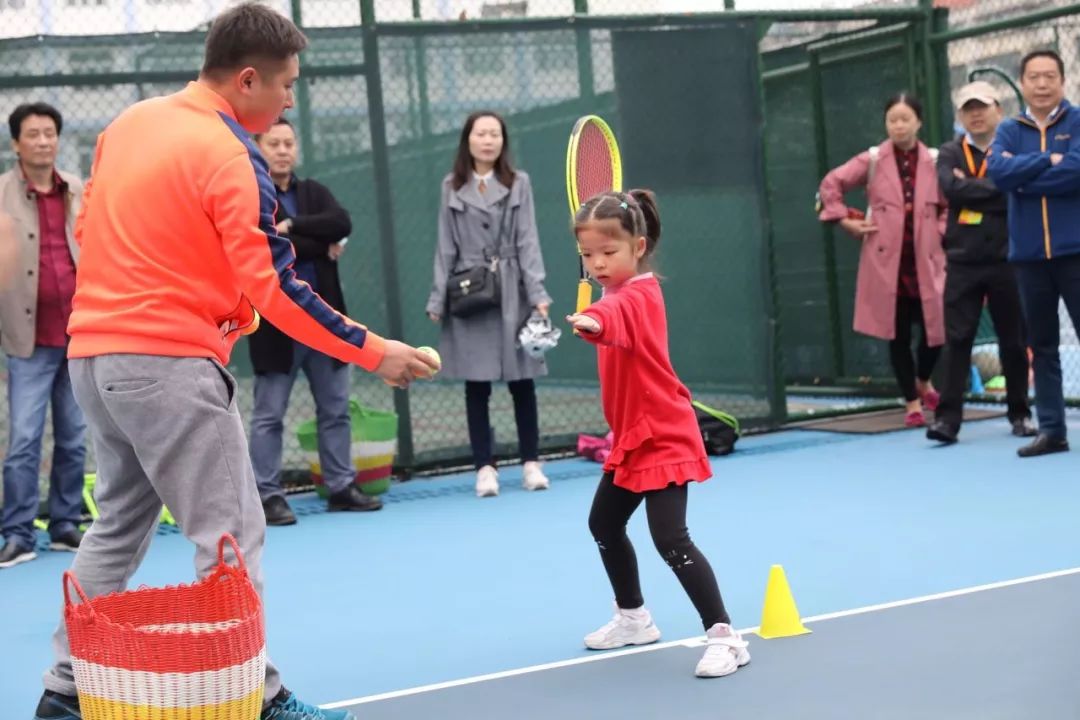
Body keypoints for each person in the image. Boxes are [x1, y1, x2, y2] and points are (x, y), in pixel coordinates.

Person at [32, 4, 435, 720]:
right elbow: (276, 288)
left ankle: (65, 692)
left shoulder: (129, 125)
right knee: (230, 532)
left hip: (94, 360)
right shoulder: (230, 153)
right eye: (285, 86)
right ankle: (258, 697)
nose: (289, 101)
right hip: (168, 369)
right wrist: (378, 352)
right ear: (247, 80)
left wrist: (200, 296)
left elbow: (92, 228)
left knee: (118, 525)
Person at [566, 189, 749, 679]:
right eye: (588, 255)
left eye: (610, 252)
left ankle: (726, 637)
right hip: (632, 436)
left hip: (664, 435)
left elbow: (616, 319)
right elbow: (609, 310)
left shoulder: (640, 295)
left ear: (639, 246)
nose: (598, 263)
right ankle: (633, 618)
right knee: (604, 525)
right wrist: (597, 311)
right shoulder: (611, 292)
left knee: (671, 539)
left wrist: (592, 319)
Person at [247, 117, 380, 525]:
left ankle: (340, 486)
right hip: (276, 327)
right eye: (275, 143)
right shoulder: (251, 194)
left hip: (325, 323)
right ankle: (267, 495)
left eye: (289, 143)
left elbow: (341, 223)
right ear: (259, 147)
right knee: (269, 414)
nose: (283, 150)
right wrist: (316, 241)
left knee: (336, 408)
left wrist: (296, 226)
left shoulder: (314, 192)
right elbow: (266, 242)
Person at [426, 111, 552, 498]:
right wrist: (438, 298)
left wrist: (538, 294)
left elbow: (528, 238)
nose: (488, 140)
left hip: (512, 290)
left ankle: (531, 463)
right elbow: (445, 246)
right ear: (468, 140)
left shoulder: (519, 183)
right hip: (469, 293)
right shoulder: (452, 186)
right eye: (481, 133)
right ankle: (485, 467)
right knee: (476, 384)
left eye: (494, 134)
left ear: (503, 141)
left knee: (522, 381)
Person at [818, 93, 948, 427]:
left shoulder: (936, 160)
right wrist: (845, 219)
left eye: (905, 118)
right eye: (893, 119)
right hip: (886, 263)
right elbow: (832, 183)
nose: (899, 125)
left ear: (919, 122)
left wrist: (940, 231)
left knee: (937, 331)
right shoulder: (873, 159)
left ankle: (924, 380)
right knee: (898, 334)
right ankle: (912, 404)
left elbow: (950, 204)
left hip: (928, 262)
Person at [0, 102, 87, 569]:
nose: (42, 141)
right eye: (32, 134)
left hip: (79, 337)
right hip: (26, 340)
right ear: (16, 143)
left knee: (74, 438)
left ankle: (64, 525)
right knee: (24, 441)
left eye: (49, 133)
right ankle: (17, 533)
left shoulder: (79, 189)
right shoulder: (0, 195)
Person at [928, 81, 1035, 444]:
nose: (976, 114)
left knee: (1014, 340)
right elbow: (950, 189)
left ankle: (1020, 414)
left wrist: (975, 188)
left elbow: (1016, 188)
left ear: (998, 111)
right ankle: (947, 421)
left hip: (1010, 258)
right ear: (961, 115)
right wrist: (997, 187)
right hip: (963, 260)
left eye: (983, 107)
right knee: (957, 339)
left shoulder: (1014, 148)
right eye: (969, 108)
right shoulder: (949, 152)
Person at [987, 49, 1080, 458]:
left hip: (1075, 252)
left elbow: (1076, 169)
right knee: (1042, 346)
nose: (1042, 84)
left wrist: (1024, 177)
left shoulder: (1077, 121)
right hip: (1027, 258)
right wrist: (1046, 160)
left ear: (1063, 80)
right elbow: (998, 172)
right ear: (1022, 83)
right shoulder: (1008, 129)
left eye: (1050, 76)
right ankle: (1053, 431)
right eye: (1034, 77)